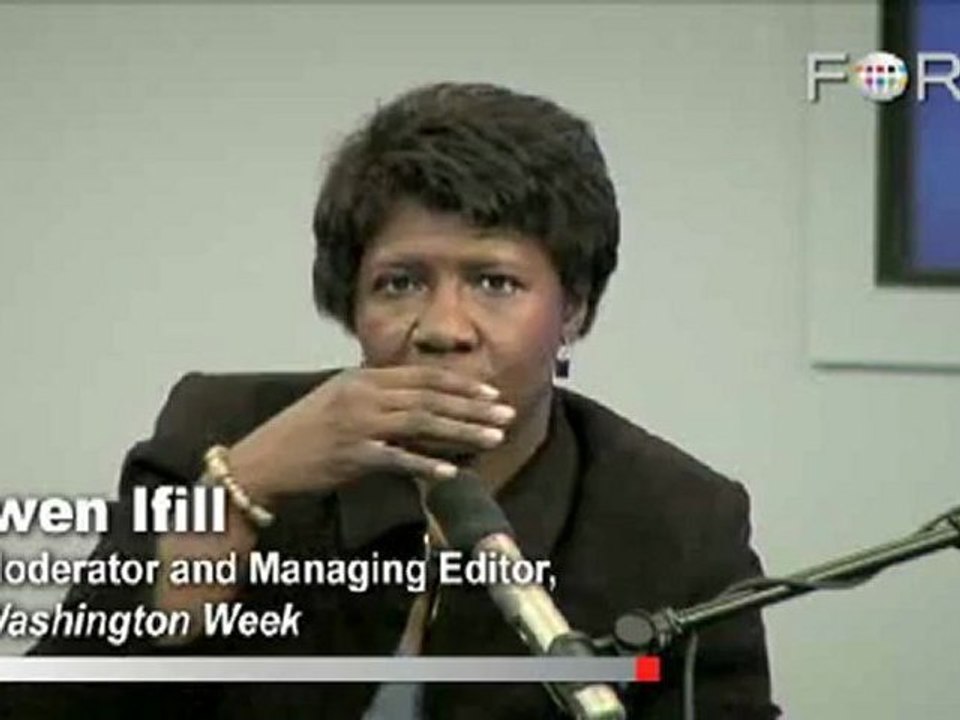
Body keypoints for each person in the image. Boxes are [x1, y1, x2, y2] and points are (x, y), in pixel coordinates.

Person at [12, 82, 780, 719]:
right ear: (352, 303)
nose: (443, 329)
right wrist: (244, 488)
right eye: (401, 282)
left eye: (496, 282)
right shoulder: (218, 429)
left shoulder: (679, 522)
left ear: (573, 308)